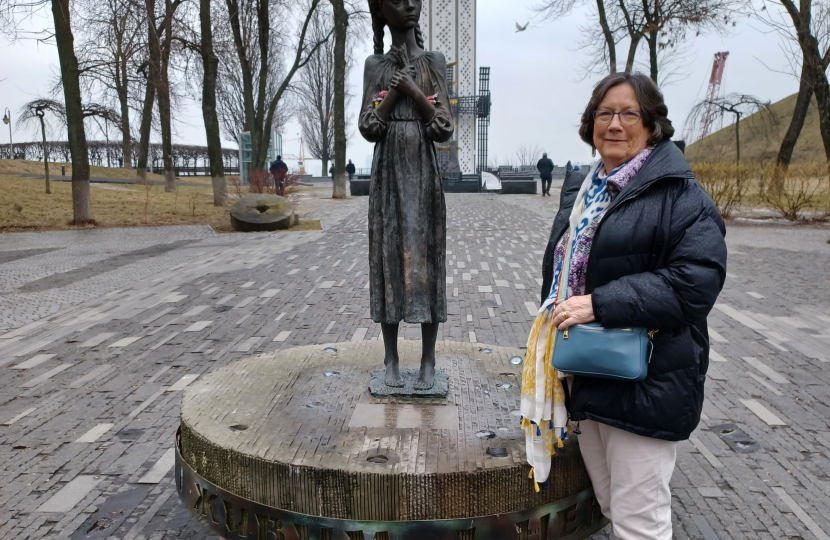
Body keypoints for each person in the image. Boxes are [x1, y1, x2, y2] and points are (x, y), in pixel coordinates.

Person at [521, 72, 727, 540]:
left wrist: (600, 303)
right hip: (587, 372)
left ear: (652, 125)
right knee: (614, 505)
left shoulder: (680, 194)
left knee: (641, 522)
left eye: (628, 113)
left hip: (646, 379)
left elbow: (696, 283)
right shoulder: (583, 191)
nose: (614, 124)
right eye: (604, 113)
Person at [359, 0, 453, 390]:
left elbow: (444, 125)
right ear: (381, 10)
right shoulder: (375, 65)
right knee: (388, 256)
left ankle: (428, 360)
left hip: (424, 174)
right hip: (389, 175)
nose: (410, 5)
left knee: (427, 257)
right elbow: (368, 126)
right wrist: (394, 93)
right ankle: (391, 359)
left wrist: (414, 90)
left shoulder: (433, 61)